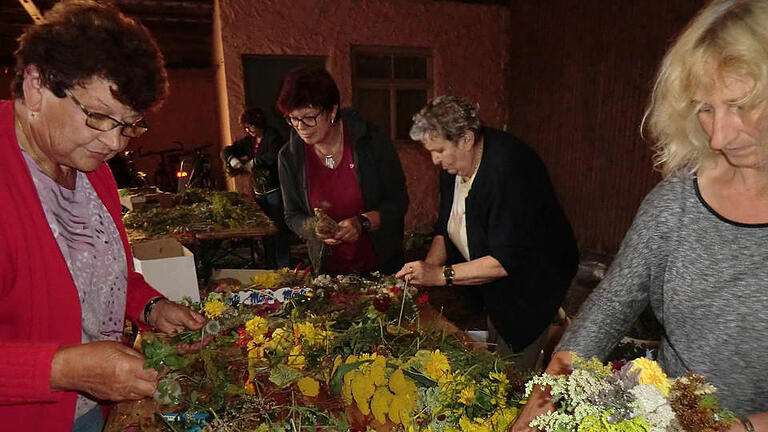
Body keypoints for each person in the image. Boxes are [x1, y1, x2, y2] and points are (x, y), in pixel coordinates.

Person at [512, 0, 768, 430]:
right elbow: (612, 304)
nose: (720, 135)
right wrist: (549, 394)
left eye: (741, 104)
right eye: (705, 108)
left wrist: (739, 428)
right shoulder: (679, 200)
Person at [0, 2, 207, 431]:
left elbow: (103, 273)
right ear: (36, 85)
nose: (114, 143)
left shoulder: (92, 171)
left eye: (129, 125)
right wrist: (63, 369)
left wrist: (149, 307)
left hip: (97, 409)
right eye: (98, 116)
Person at [396, 95, 578, 370]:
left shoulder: (511, 170)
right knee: (494, 348)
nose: (434, 160)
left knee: (509, 369)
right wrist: (426, 269)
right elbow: (445, 226)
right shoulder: (454, 166)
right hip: (494, 283)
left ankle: (548, 351)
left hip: (532, 285)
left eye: (440, 150)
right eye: (430, 151)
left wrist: (440, 275)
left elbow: (505, 260)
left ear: (467, 139)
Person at [277, 67, 409, 274]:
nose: (301, 127)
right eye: (293, 119)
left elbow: (398, 201)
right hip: (329, 269)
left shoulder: (371, 143)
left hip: (381, 261)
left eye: (309, 117)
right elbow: (292, 215)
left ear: (332, 110)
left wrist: (362, 223)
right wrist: (315, 227)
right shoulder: (290, 157)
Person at [221, 107, 291, 269]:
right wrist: (232, 160)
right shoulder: (250, 141)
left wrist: (254, 163)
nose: (248, 130)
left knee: (278, 228)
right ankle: (269, 264)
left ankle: (284, 266)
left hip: (274, 190)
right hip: (259, 191)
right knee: (265, 229)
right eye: (246, 127)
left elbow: (274, 155)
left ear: (259, 123)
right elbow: (227, 150)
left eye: (250, 126)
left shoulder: (272, 136)